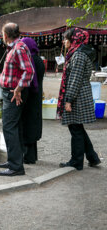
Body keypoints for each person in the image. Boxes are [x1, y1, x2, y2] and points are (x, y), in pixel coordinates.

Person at [57, 28, 101, 170]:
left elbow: (75, 79)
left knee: (75, 128)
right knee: (78, 127)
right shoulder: (76, 53)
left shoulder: (79, 56)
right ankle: (92, 157)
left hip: (77, 97)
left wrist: (68, 100)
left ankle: (76, 161)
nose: (64, 42)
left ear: (75, 39)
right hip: (79, 95)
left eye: (66, 39)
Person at [0, 23, 34, 176]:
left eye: (2, 33)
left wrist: (19, 88)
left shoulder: (18, 48)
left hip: (13, 93)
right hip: (13, 92)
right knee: (15, 127)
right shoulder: (16, 47)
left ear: (6, 35)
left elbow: (29, 71)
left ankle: (16, 166)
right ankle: (14, 160)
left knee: (9, 127)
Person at [21, 37, 45, 164]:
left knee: (28, 126)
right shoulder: (39, 60)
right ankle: (33, 155)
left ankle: (29, 157)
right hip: (36, 96)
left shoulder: (31, 60)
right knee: (33, 125)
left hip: (30, 96)